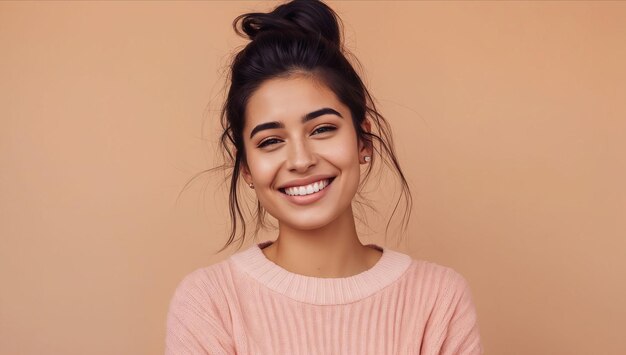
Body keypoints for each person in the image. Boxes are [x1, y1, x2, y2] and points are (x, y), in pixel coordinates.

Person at [165, 1, 483, 354]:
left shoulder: (437, 299)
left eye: (322, 129)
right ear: (246, 168)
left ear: (363, 139)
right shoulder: (210, 304)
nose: (301, 160)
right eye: (270, 141)